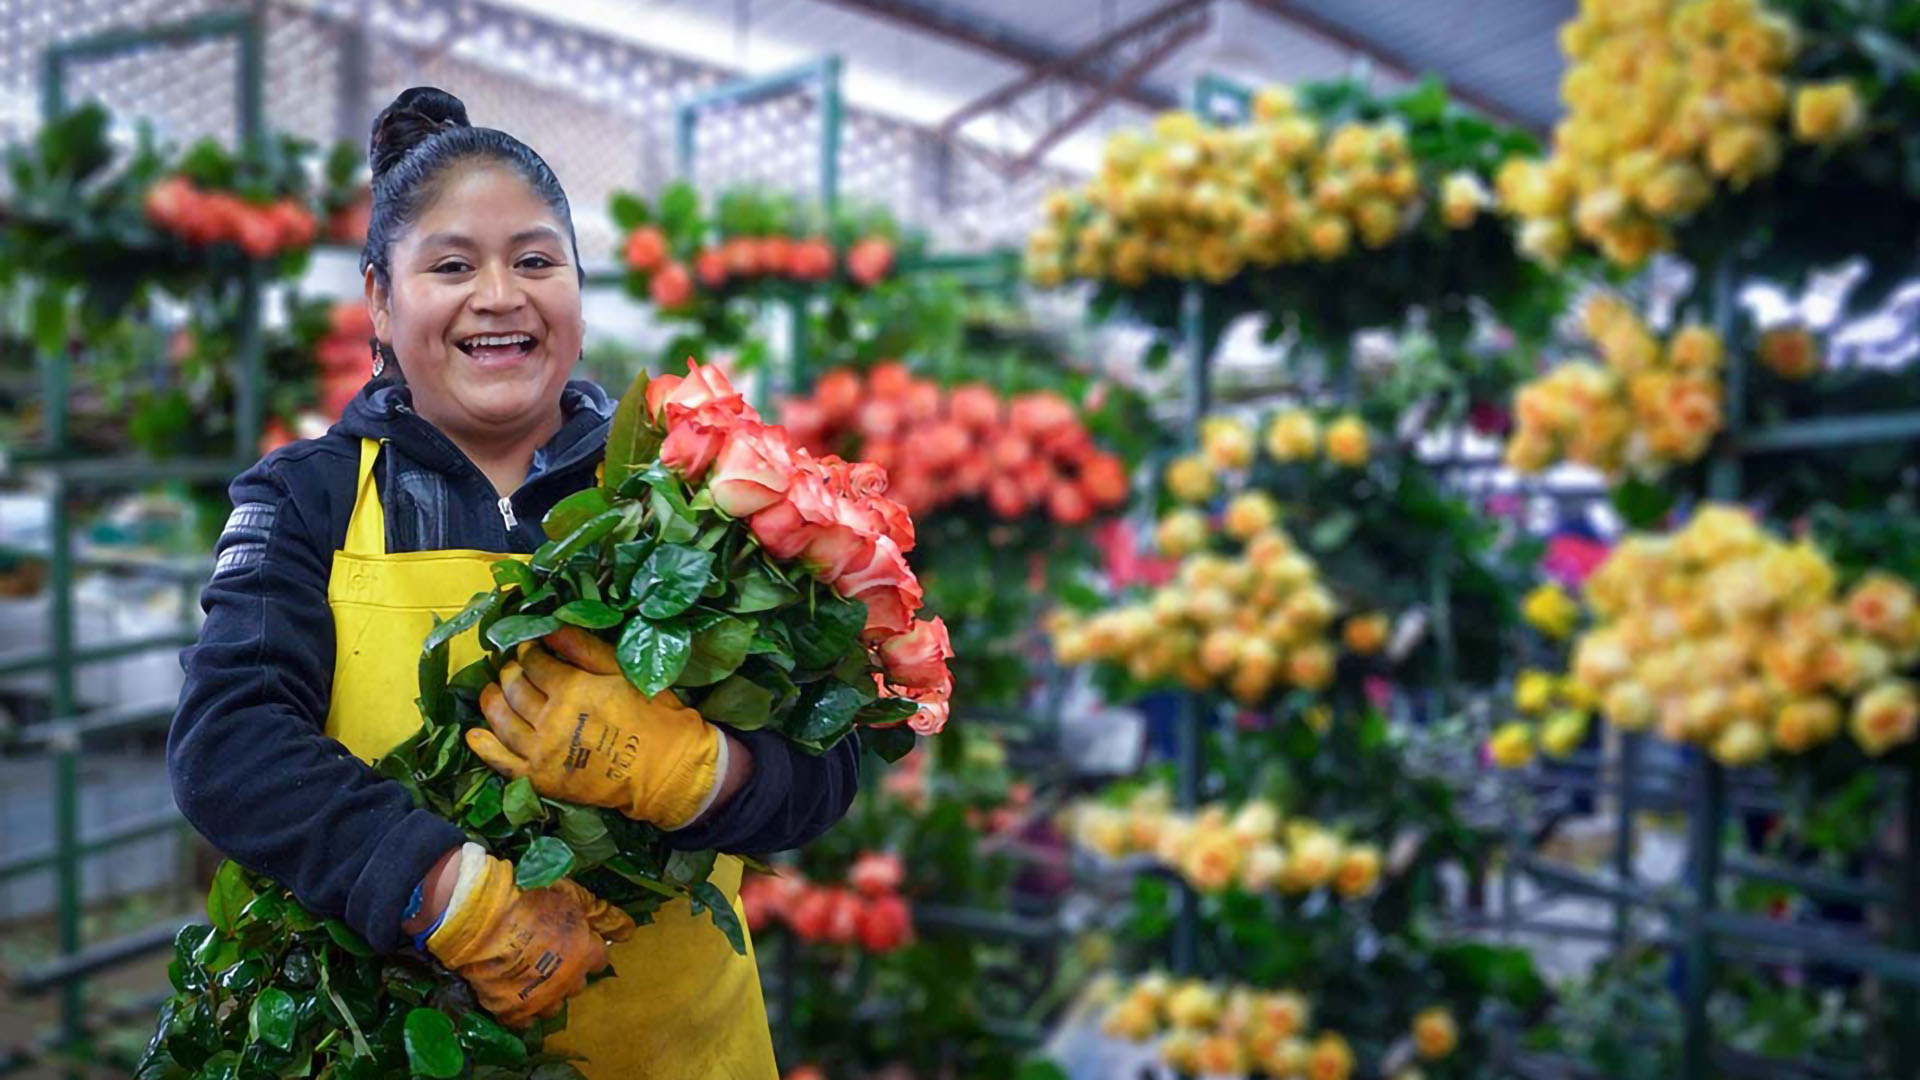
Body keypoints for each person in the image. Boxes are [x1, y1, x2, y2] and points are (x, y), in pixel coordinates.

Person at [169, 86, 859, 1077]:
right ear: (379, 298)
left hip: (681, 1051)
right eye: (451, 266)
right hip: (404, 1044)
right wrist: (442, 890)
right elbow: (226, 742)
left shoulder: (689, 498)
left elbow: (826, 762)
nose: (499, 295)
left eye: (536, 260)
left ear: (579, 287)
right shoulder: (307, 500)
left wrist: (706, 772)